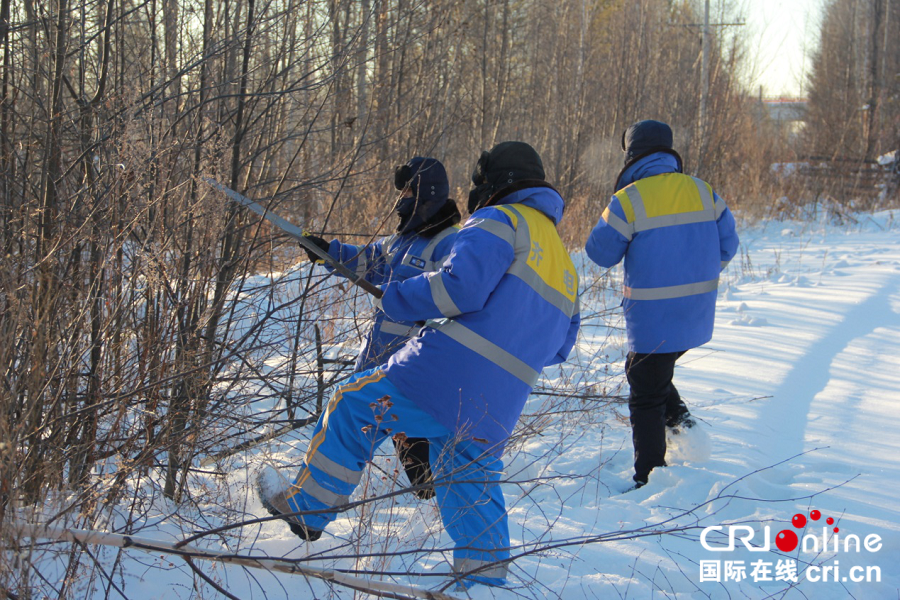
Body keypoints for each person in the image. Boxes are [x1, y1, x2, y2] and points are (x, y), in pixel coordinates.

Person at [258, 141, 580, 588]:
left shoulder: (500, 220)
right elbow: (561, 347)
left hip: (448, 372)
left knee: (353, 404)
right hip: (504, 398)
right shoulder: (564, 261)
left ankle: (308, 510)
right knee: (467, 476)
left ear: (494, 184)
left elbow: (460, 290)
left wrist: (398, 296)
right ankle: (484, 581)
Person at [584, 119, 739, 489]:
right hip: (697, 314)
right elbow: (728, 245)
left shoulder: (629, 199)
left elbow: (599, 253)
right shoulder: (703, 191)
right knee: (646, 373)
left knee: (646, 392)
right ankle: (687, 432)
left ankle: (649, 477)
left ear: (632, 155)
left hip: (654, 318)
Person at [300, 157, 461, 498]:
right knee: (357, 429)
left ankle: (314, 503)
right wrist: (328, 252)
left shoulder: (449, 244)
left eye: (407, 190)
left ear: (425, 193)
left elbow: (455, 300)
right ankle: (316, 498)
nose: (400, 197)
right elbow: (367, 262)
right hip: (377, 362)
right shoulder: (400, 241)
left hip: (413, 369)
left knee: (403, 446)